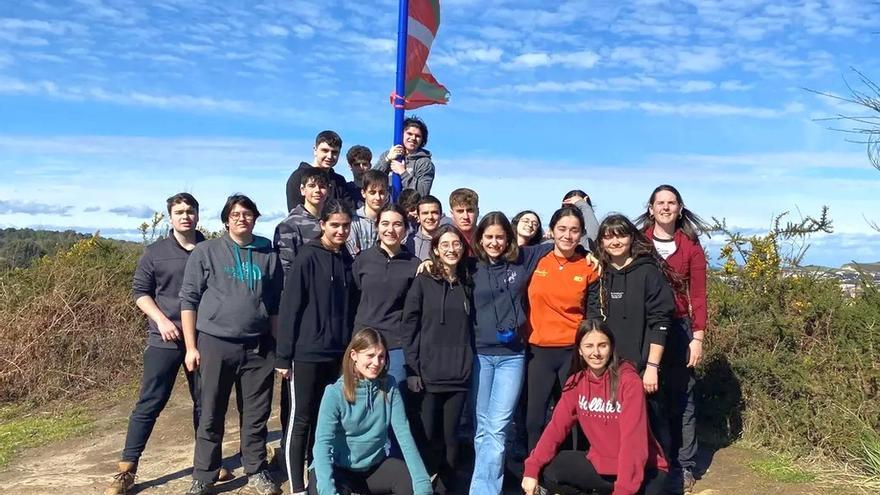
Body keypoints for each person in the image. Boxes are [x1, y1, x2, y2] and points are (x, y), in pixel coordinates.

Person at [106, 193, 226, 495]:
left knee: (206, 402)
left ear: (198, 215)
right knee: (150, 402)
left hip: (202, 338)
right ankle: (126, 470)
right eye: (179, 211)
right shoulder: (154, 253)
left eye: (190, 211)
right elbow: (140, 293)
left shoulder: (212, 249)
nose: (185, 216)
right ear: (170, 216)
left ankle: (208, 463)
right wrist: (161, 320)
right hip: (165, 339)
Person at [180, 194, 283, 495]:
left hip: (258, 346)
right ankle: (204, 474)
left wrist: (277, 348)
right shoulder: (206, 251)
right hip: (215, 343)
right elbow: (189, 301)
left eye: (248, 213)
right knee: (211, 411)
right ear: (226, 219)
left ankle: (256, 468)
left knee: (256, 413)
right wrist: (191, 346)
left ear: (255, 218)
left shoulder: (268, 253)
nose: (242, 218)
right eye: (235, 214)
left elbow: (275, 304)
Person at [522, 320, 668, 495]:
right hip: (603, 466)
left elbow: (634, 443)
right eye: (589, 346)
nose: (596, 353)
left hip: (644, 471)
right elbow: (555, 429)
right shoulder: (576, 383)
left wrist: (623, 490)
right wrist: (531, 468)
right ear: (580, 351)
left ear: (611, 347)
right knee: (550, 470)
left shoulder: (629, 381)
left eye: (602, 345)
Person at [275, 199, 357, 495]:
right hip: (306, 354)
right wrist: (284, 356)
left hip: (337, 355)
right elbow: (290, 308)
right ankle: (296, 486)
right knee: (301, 419)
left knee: (327, 421)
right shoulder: (307, 257)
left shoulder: (346, 259)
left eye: (346, 226)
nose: (340, 230)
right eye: (334, 225)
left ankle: (318, 480)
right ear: (322, 224)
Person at [468, 212, 553, 495]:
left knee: (498, 426)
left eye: (500, 237)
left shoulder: (523, 259)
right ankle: (485, 487)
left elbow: (562, 241)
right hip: (479, 354)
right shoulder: (471, 267)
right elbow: (443, 263)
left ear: (509, 237)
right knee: (483, 428)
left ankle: (483, 491)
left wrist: (588, 254)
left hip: (512, 356)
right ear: (480, 239)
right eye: (489, 237)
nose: (494, 243)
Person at [635, 185, 709, 493]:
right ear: (650, 208)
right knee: (646, 396)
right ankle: (652, 460)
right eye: (660, 203)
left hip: (679, 327)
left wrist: (698, 337)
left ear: (679, 208)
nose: (666, 207)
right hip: (644, 327)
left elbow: (699, 294)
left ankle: (684, 465)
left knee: (682, 398)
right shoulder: (638, 242)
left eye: (671, 202)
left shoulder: (691, 245)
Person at [588, 213, 677, 469]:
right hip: (610, 367)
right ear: (601, 242)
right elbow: (593, 319)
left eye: (621, 235)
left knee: (654, 422)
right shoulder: (599, 273)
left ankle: (663, 475)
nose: (615, 241)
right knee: (616, 426)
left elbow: (660, 320)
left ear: (631, 237)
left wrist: (652, 367)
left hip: (643, 366)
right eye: (609, 236)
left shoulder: (648, 270)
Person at [309, 328, 433, 495]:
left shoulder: (389, 386)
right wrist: (327, 490)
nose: (376, 363)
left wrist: (423, 484)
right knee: (320, 487)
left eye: (381, 356)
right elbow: (322, 445)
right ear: (354, 355)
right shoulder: (334, 393)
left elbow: (404, 436)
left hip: (373, 467)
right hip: (339, 468)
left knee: (409, 480)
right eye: (370, 355)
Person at [401, 224, 473, 494]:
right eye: (445, 245)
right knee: (429, 435)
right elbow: (409, 326)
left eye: (456, 244)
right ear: (435, 249)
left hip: (459, 373)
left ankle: (447, 485)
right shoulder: (424, 280)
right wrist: (412, 368)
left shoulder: (469, 279)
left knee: (452, 437)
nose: (451, 249)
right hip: (428, 373)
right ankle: (425, 481)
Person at [524, 206, 600, 452]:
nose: (568, 235)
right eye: (562, 229)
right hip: (538, 350)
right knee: (534, 418)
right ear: (551, 231)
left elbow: (593, 314)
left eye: (574, 231)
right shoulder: (536, 259)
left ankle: (569, 471)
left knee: (572, 416)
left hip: (572, 352)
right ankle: (534, 472)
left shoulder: (588, 266)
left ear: (581, 235)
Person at [352, 203, 421, 387]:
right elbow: (353, 299)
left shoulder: (414, 265)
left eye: (397, 224)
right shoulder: (362, 260)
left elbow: (414, 313)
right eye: (385, 224)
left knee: (393, 401)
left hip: (395, 346)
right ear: (377, 226)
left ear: (406, 229)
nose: (390, 229)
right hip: (362, 341)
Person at [275, 168, 329, 273]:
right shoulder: (289, 226)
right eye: (312, 186)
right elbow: (285, 269)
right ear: (302, 190)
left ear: (328, 191)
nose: (317, 190)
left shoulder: (333, 222)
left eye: (322, 186)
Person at [286, 130, 350, 211]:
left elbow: (347, 212)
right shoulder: (298, 177)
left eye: (334, 152)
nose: (329, 156)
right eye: (325, 150)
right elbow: (295, 215)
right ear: (315, 150)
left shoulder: (339, 181)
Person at [374, 117, 435, 197]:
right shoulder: (389, 155)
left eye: (417, 136)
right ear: (401, 134)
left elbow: (423, 193)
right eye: (409, 134)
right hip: (387, 207)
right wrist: (387, 159)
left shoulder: (424, 163)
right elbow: (369, 181)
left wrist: (403, 172)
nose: (413, 138)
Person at [347, 169, 390, 256]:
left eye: (381, 192)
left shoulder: (390, 220)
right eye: (372, 192)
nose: (377, 197)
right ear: (363, 193)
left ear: (387, 194)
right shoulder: (354, 220)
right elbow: (352, 254)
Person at [405, 194, 444, 260]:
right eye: (425, 213)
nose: (430, 217)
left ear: (440, 215)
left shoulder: (449, 241)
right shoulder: (407, 243)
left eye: (434, 212)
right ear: (418, 217)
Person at [448, 188, 479, 256]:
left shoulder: (489, 239)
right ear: (452, 214)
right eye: (460, 211)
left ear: (477, 212)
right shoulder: (445, 240)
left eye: (470, 210)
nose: (465, 217)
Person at [344, 145, 372, 210]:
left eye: (364, 164)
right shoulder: (345, 189)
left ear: (370, 166)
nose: (361, 168)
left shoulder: (377, 191)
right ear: (350, 167)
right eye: (357, 165)